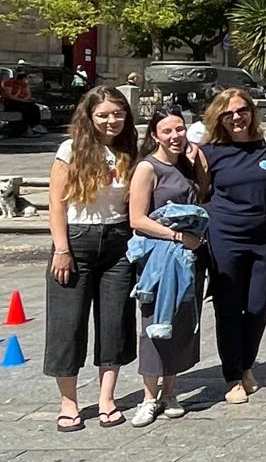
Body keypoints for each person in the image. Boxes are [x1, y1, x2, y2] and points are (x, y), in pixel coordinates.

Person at [44, 86, 138, 431]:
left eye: (117, 113)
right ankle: (69, 402)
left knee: (115, 323)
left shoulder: (129, 149)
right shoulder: (70, 150)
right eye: (103, 115)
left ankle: (107, 398)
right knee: (67, 325)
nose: (111, 121)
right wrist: (62, 249)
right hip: (77, 239)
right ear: (89, 117)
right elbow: (56, 202)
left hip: (118, 241)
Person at [195, 88, 266, 404]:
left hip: (264, 239)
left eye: (242, 110)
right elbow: (202, 194)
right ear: (219, 117)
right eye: (229, 113)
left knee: (258, 307)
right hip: (225, 239)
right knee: (229, 309)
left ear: (251, 112)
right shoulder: (209, 152)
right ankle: (233, 375)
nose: (236, 117)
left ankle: (248, 364)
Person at [126, 109, 206, 426]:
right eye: (167, 131)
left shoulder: (186, 165)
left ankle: (170, 390)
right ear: (155, 135)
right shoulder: (148, 167)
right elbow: (137, 218)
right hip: (158, 256)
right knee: (153, 323)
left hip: (186, 255)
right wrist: (176, 236)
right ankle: (148, 396)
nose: (175, 135)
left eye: (179, 129)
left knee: (180, 322)